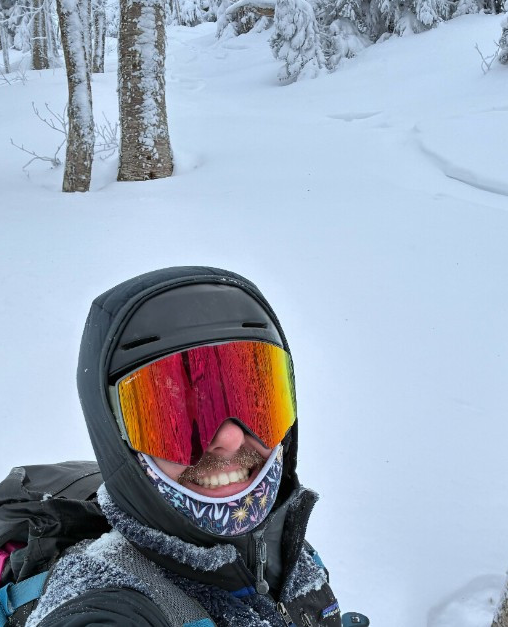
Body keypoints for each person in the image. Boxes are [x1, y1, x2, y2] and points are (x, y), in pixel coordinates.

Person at [26, 266, 362, 627]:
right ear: (115, 436)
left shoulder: (287, 551)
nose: (231, 438)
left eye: (254, 401)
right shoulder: (107, 604)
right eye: (175, 419)